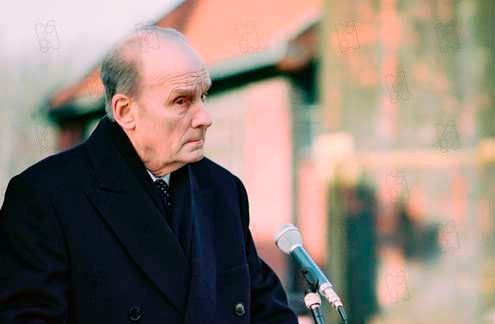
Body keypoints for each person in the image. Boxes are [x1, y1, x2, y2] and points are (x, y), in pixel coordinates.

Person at [0, 27, 298, 324]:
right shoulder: (44, 197)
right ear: (125, 111)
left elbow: (267, 311)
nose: (205, 118)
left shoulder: (224, 191)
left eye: (203, 96)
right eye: (181, 101)